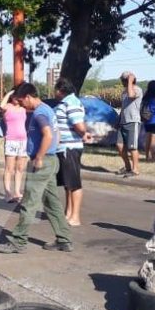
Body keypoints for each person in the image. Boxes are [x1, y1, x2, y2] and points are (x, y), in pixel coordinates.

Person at [0, 83, 73, 253]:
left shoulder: (39, 113)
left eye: (22, 101)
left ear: (29, 97)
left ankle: (18, 242)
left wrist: (39, 157)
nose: (22, 105)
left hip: (42, 162)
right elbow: (56, 134)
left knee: (29, 202)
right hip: (51, 160)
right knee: (52, 203)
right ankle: (64, 239)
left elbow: (48, 134)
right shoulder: (47, 109)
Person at [54, 78, 91, 226]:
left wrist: (83, 133)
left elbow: (78, 123)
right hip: (63, 147)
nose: (54, 92)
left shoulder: (72, 102)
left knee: (74, 183)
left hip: (70, 147)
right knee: (67, 183)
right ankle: (68, 212)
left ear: (61, 90)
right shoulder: (65, 102)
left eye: (55, 89)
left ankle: (75, 216)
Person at [0, 88, 29, 202]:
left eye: (18, 96)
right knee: (9, 168)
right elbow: (1, 105)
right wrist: (9, 92)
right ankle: (7, 193)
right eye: (15, 96)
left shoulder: (23, 108)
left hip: (23, 140)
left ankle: (17, 192)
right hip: (11, 140)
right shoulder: (7, 107)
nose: (16, 98)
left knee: (20, 168)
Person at [116, 71, 143, 177]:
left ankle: (135, 169)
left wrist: (130, 81)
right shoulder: (124, 92)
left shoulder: (137, 89)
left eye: (123, 80)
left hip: (133, 121)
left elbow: (132, 96)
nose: (122, 82)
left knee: (132, 147)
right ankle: (127, 167)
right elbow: (123, 108)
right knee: (119, 146)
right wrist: (118, 120)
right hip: (123, 122)